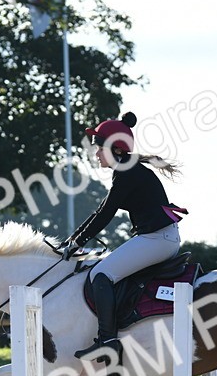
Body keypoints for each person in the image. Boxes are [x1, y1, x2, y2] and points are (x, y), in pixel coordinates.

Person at [60, 112, 188, 361]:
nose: (95, 154)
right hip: (159, 237)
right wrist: (72, 240)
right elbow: (101, 211)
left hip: (158, 239)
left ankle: (108, 341)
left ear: (115, 150)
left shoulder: (127, 173)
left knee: (100, 275)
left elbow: (105, 214)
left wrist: (76, 243)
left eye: (99, 148)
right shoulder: (127, 170)